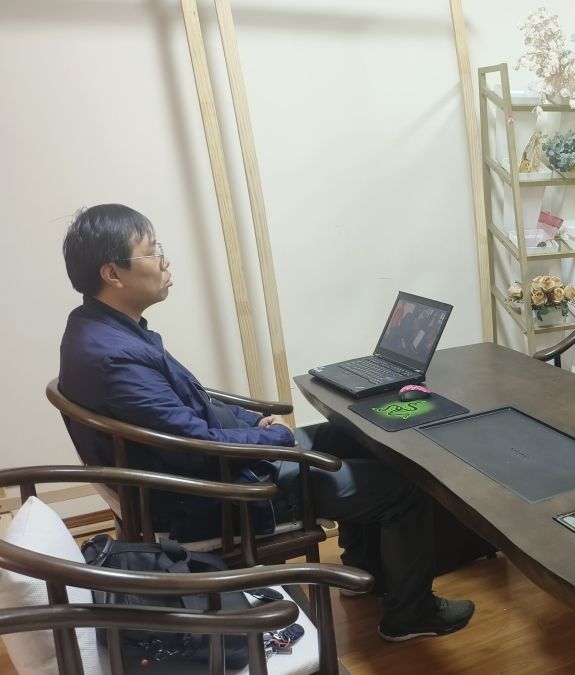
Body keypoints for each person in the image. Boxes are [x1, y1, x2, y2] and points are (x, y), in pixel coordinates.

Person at [57, 204, 474, 643]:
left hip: (214, 469)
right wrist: (271, 436)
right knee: (402, 489)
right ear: (113, 273)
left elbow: (193, 406)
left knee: (351, 436)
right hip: (219, 495)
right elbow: (191, 444)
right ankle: (410, 613)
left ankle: (367, 570)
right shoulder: (114, 358)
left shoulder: (99, 330)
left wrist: (253, 420)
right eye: (152, 250)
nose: (164, 260)